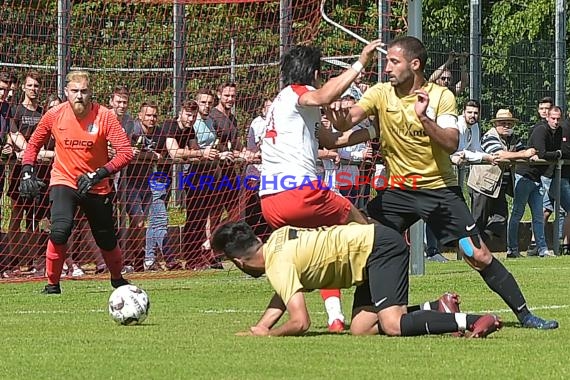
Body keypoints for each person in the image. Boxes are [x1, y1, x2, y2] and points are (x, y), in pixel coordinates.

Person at [324, 36, 558, 330]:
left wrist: (424, 119)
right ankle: (425, 309)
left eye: (394, 62)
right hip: (397, 191)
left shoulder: (440, 96)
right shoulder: (380, 93)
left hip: (438, 190)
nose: (387, 69)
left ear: (415, 64)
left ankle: (526, 316)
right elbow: (346, 122)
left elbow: (451, 142)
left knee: (477, 253)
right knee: (367, 250)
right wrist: (335, 114)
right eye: (387, 62)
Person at [259, 40, 382, 332]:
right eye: (320, 74)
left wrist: (377, 129)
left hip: (270, 201)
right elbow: (326, 93)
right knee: (368, 233)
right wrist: (360, 62)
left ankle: (324, 318)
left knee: (306, 258)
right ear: (313, 73)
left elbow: (332, 141)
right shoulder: (297, 94)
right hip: (300, 193)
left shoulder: (285, 104)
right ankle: (383, 304)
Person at [212, 221, 502, 338]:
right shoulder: (276, 238)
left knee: (392, 325)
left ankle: (474, 319)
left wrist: (270, 336)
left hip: (379, 248)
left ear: (238, 261)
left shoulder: (277, 265)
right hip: (367, 256)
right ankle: (436, 307)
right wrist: (261, 325)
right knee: (362, 329)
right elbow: (284, 292)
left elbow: (301, 322)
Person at [19, 70, 133, 294]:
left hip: (96, 185)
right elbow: (32, 145)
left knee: (107, 238)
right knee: (60, 230)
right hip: (64, 181)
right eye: (74, 91)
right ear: (66, 92)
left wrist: (100, 173)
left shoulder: (105, 116)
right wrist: (27, 171)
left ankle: (118, 279)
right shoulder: (54, 114)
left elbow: (126, 152)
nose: (79, 95)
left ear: (91, 93)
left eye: (84, 91)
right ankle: (52, 285)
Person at [470, 109, 536, 249]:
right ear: (496, 124)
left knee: (501, 218)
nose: (506, 126)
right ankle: (471, 249)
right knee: (478, 220)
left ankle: (479, 244)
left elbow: (522, 150)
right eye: (503, 123)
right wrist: (524, 154)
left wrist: (530, 154)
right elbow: (499, 155)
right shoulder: (489, 136)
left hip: (498, 186)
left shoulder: (513, 138)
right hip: (482, 185)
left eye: (509, 123)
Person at [508, 106, 562, 258]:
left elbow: (552, 153)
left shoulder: (557, 132)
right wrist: (556, 154)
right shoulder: (541, 130)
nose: (556, 122)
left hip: (537, 178)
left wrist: (556, 154)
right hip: (525, 175)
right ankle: (512, 249)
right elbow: (543, 153)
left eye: (558, 119)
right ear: (547, 117)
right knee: (517, 213)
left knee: (538, 216)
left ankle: (542, 249)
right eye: (553, 118)